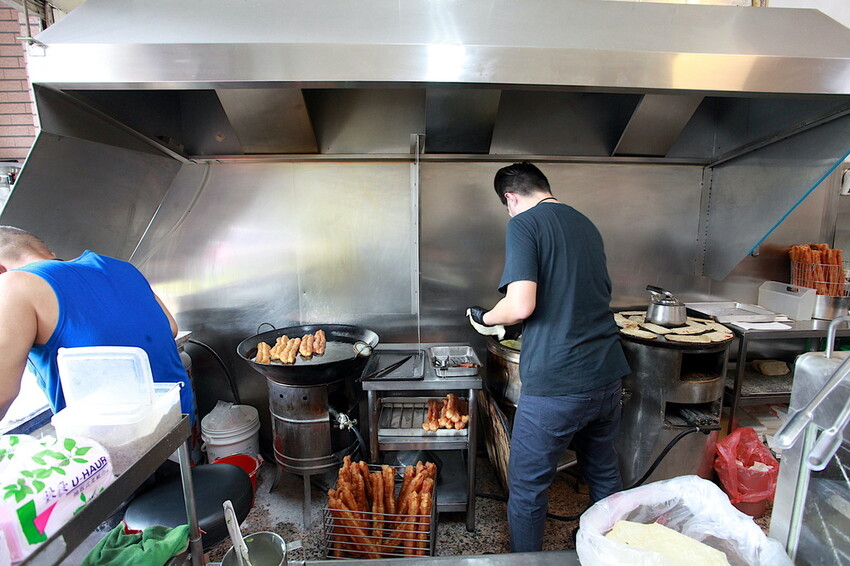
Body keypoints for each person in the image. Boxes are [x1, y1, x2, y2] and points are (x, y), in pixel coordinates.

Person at [467, 162, 630, 552]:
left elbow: (520, 305)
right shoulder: (585, 224)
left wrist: (485, 319)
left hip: (558, 382)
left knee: (527, 487)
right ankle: (616, 553)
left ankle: (526, 562)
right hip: (607, 373)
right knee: (603, 472)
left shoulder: (524, 224)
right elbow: (575, 294)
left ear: (510, 198)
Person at [0, 226, 195, 424]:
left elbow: (2, 394)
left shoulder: (13, 283)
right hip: (178, 415)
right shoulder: (121, 267)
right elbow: (171, 328)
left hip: (116, 431)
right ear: (50, 254)